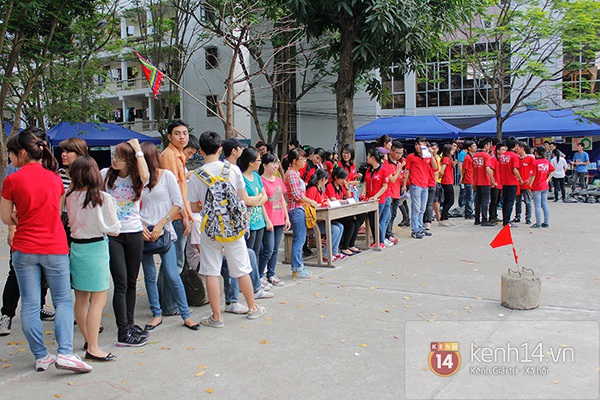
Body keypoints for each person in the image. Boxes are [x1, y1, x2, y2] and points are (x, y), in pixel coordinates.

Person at [0, 127, 92, 373]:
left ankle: (41, 356)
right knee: (62, 300)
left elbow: (6, 218)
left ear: (21, 153)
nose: (9, 158)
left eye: (10, 153)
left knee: (30, 303)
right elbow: (59, 212)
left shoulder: (12, 179)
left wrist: (20, 218)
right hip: (54, 246)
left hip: (24, 248)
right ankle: (65, 353)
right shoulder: (55, 178)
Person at [187, 131, 267, 327]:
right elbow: (242, 198)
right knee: (241, 269)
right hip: (234, 227)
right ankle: (252, 308)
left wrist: (207, 206)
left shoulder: (197, 175)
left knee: (212, 271)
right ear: (220, 149)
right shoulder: (233, 170)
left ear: (200, 151)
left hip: (210, 229)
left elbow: (194, 207)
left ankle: (216, 317)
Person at [139, 143, 200, 332]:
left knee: (173, 274)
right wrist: (141, 226)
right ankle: (156, 314)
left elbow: (178, 203)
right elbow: (131, 206)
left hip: (165, 230)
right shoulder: (138, 179)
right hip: (143, 231)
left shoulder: (167, 176)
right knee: (149, 276)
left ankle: (186, 315)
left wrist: (161, 224)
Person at [0, 130, 55, 337]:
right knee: (15, 274)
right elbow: (8, 208)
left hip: (45, 234)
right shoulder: (13, 171)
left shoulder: (47, 165)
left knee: (42, 276)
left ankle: (40, 306)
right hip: (23, 233)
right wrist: (12, 229)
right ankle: (6, 315)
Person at [66, 156, 120, 362]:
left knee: (81, 299)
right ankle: (94, 347)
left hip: (77, 248)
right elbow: (114, 229)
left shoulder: (69, 196)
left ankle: (89, 341)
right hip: (96, 248)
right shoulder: (102, 198)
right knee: (98, 301)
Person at [102, 139, 150, 347]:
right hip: (114, 235)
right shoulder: (105, 175)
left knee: (132, 282)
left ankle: (130, 324)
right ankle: (122, 331)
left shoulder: (136, 177)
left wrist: (138, 150)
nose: (115, 160)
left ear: (129, 161)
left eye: (120, 158)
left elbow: (146, 175)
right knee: (120, 283)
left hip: (134, 233)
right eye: (114, 156)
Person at [159, 120, 193, 316]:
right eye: (178, 133)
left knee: (170, 262)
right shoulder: (170, 156)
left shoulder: (178, 156)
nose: (182, 137)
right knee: (175, 263)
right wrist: (186, 216)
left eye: (185, 133)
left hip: (179, 213)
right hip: (176, 215)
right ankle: (169, 304)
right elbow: (175, 190)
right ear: (170, 136)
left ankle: (165, 302)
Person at [284, 147, 318, 278]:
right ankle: (297, 267)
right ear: (294, 161)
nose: (304, 161)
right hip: (295, 209)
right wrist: (311, 202)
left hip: (299, 208)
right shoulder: (292, 174)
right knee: (299, 240)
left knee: (300, 239)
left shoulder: (295, 174)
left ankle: (298, 267)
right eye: (302, 159)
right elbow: (297, 195)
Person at [259, 152, 290, 286]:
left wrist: (286, 217)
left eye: (277, 163)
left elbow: (282, 199)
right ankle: (260, 275)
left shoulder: (278, 180)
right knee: (268, 249)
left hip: (279, 218)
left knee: (276, 249)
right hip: (269, 219)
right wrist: (267, 220)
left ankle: (271, 274)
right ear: (265, 165)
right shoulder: (260, 180)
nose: (276, 165)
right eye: (273, 163)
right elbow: (261, 202)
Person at [306, 169, 346, 262]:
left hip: (321, 219)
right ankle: (325, 253)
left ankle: (334, 251)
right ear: (323, 179)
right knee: (335, 229)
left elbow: (327, 200)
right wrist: (321, 204)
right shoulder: (313, 189)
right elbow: (309, 206)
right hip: (312, 222)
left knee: (340, 226)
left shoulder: (320, 190)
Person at [402, 137, 438, 239]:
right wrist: (405, 184)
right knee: (416, 208)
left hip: (425, 185)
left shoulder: (427, 157)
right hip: (416, 184)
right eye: (416, 144)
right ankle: (415, 229)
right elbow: (407, 171)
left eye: (420, 145)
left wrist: (431, 155)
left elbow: (435, 167)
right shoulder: (411, 157)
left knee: (422, 208)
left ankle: (419, 227)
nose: (418, 147)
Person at [326, 167, 364, 256]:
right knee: (350, 224)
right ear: (336, 177)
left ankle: (351, 245)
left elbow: (349, 196)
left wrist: (346, 187)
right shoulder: (329, 186)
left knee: (356, 222)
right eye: (342, 179)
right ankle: (344, 247)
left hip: (342, 212)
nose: (343, 181)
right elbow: (333, 200)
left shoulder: (340, 186)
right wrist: (345, 201)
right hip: (334, 213)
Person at [238, 147, 268, 256]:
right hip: (248, 223)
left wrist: (255, 200)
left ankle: (256, 273)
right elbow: (246, 200)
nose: (260, 162)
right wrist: (259, 197)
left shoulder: (256, 176)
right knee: (248, 252)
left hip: (259, 221)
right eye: (258, 160)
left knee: (257, 252)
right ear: (251, 162)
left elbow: (265, 197)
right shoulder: (241, 178)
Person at [362, 148, 393, 248]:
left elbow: (385, 186)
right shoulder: (368, 170)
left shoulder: (383, 170)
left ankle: (380, 240)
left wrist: (375, 196)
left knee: (376, 220)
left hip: (379, 200)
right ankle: (376, 240)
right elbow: (365, 183)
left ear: (373, 157)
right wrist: (363, 195)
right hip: (369, 199)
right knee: (372, 220)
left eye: (368, 156)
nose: (367, 158)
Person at [498, 138, 523, 227]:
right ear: (515, 146)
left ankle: (505, 219)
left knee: (505, 201)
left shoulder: (503, 156)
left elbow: (500, 168)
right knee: (510, 202)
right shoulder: (514, 156)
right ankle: (507, 221)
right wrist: (520, 178)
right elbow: (515, 169)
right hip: (512, 181)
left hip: (504, 181)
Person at [472, 139, 496, 227]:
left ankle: (477, 219)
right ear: (486, 146)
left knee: (478, 200)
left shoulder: (475, 156)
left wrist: (473, 182)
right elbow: (487, 168)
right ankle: (484, 219)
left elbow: (473, 169)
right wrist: (493, 180)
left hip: (477, 180)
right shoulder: (486, 156)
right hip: (485, 181)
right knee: (485, 201)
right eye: (489, 145)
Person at [385, 141, 405, 243]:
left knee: (393, 214)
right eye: (397, 153)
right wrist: (400, 169)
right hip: (389, 193)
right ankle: (387, 234)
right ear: (391, 151)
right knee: (388, 215)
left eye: (401, 153)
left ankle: (389, 233)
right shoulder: (387, 163)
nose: (399, 156)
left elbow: (398, 178)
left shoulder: (397, 163)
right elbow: (392, 179)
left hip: (396, 192)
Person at [530, 146, 555, 228]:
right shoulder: (546, 161)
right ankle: (546, 222)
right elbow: (552, 170)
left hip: (537, 186)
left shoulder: (535, 162)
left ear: (537, 153)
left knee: (537, 205)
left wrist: (530, 185)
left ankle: (538, 223)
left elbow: (533, 176)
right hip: (544, 185)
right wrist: (547, 180)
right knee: (544, 204)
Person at [513, 143, 534, 225]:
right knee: (518, 201)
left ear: (522, 149)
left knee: (527, 201)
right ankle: (517, 216)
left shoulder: (530, 159)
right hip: (518, 184)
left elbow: (533, 171)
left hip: (526, 184)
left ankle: (528, 218)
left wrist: (530, 180)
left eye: (518, 149)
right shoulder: (516, 158)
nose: (516, 150)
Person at [489, 143, 506, 224]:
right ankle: (491, 217)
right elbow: (491, 170)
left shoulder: (503, 159)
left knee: (498, 200)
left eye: (505, 149)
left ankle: (495, 216)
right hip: (495, 183)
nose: (504, 151)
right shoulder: (493, 159)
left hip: (501, 183)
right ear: (498, 151)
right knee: (494, 201)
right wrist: (493, 181)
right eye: (502, 149)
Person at [438, 144, 455, 227]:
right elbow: (442, 170)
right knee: (450, 200)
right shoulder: (446, 159)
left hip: (449, 180)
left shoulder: (448, 159)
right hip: (447, 181)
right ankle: (442, 218)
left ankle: (445, 217)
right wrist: (441, 175)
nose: (453, 151)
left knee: (447, 200)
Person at [459, 140, 476, 219]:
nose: (475, 147)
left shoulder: (471, 156)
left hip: (471, 178)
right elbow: (464, 168)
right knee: (469, 197)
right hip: (468, 179)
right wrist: (462, 177)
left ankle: (469, 211)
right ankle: (468, 213)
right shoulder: (467, 157)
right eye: (473, 146)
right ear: (469, 148)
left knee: (470, 197)